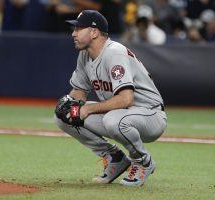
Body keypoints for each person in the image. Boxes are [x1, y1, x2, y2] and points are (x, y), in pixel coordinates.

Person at [54, 10, 167, 186]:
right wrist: (69, 104)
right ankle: (114, 157)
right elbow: (79, 92)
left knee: (113, 120)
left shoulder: (114, 53)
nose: (73, 33)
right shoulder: (85, 54)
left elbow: (126, 99)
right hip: (123, 114)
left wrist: (87, 109)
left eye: (79, 28)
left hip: (150, 115)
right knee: (65, 117)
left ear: (94, 32)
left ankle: (143, 161)